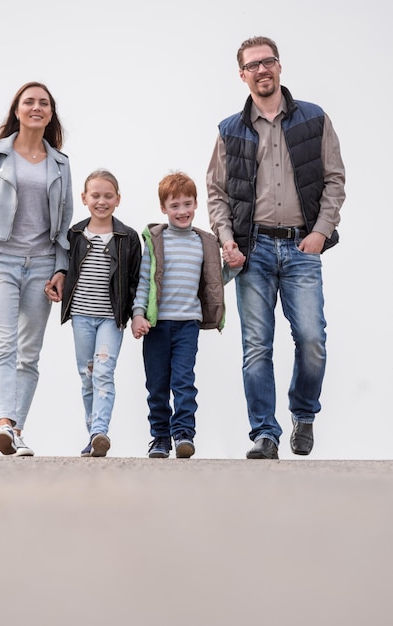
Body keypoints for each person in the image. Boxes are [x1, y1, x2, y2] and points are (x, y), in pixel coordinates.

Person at [206, 36, 346, 459]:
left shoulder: (314, 119)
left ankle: (303, 415)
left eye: (268, 62)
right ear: (242, 74)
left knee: (311, 339)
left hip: (303, 247)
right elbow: (216, 193)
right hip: (253, 251)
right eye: (253, 65)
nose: (261, 70)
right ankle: (264, 434)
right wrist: (227, 240)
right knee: (256, 346)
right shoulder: (229, 130)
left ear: (280, 67)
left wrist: (321, 232)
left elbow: (335, 180)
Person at [0, 81, 73, 457]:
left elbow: (64, 223)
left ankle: (16, 431)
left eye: (43, 103)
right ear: (17, 110)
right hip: (1, 262)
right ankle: (5, 422)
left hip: (41, 265)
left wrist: (60, 269)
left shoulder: (61, 163)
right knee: (4, 345)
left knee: (30, 353)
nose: (36, 107)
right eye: (29, 102)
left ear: (51, 113)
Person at [132, 172, 225, 459]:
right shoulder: (155, 241)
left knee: (183, 381)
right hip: (157, 325)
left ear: (196, 204)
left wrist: (233, 264)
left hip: (188, 325)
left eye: (187, 204)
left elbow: (214, 278)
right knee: (157, 384)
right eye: (175, 206)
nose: (182, 211)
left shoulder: (204, 242)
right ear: (163, 208)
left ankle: (184, 433)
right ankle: (160, 437)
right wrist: (137, 314)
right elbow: (145, 280)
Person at [59, 170, 141, 457]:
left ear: (118, 199)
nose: (101, 201)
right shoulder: (75, 234)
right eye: (95, 195)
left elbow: (134, 280)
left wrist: (133, 314)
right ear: (84, 198)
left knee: (103, 372)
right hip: (81, 315)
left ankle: (100, 432)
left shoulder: (127, 237)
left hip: (110, 318)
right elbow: (62, 267)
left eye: (108, 196)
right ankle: (92, 432)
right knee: (87, 375)